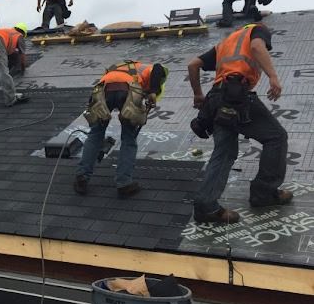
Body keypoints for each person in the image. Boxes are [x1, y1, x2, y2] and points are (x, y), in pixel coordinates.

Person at [187, 23, 291, 224]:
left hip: (216, 99)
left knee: (224, 153)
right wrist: (273, 77)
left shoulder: (226, 44)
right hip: (236, 95)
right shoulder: (258, 29)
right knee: (276, 137)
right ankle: (264, 193)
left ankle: (206, 207)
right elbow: (257, 47)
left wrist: (198, 94)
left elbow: (193, 65)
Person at [74, 60, 168, 198]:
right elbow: (159, 68)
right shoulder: (148, 69)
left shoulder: (117, 68)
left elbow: (100, 88)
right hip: (128, 91)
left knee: (95, 134)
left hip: (102, 90)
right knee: (129, 138)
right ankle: (124, 183)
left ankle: (82, 177)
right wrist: (154, 92)